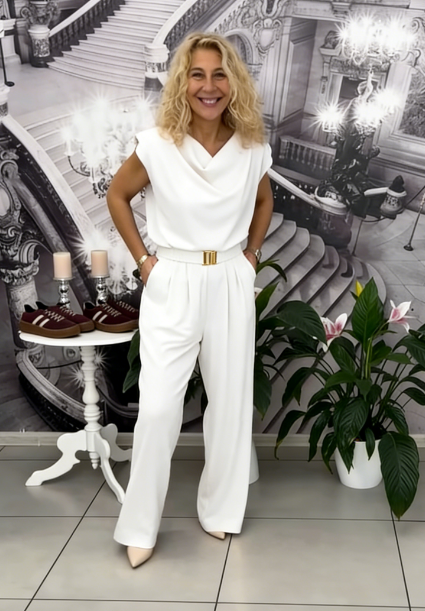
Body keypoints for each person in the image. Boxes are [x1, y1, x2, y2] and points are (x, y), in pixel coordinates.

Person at [106, 32, 273, 569]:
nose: (209, 86)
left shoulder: (252, 148)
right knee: (158, 408)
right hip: (172, 277)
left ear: (234, 82)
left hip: (229, 278)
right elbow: (117, 195)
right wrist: (144, 262)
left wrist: (250, 256)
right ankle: (140, 525)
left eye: (219, 74)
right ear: (182, 82)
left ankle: (219, 509)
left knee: (229, 404)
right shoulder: (157, 145)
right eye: (197, 74)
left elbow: (264, 200)